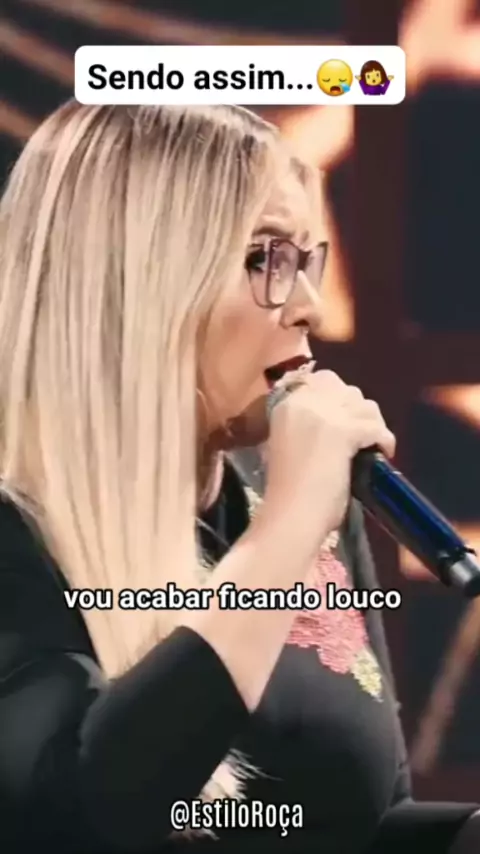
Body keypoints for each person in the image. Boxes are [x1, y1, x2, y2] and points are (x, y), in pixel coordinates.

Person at [0, 101, 477, 854]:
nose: (312, 308)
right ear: (133, 286)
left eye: (307, 261)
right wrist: (286, 530)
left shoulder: (297, 501)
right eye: (263, 260)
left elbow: (364, 825)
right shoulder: (18, 536)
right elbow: (76, 818)